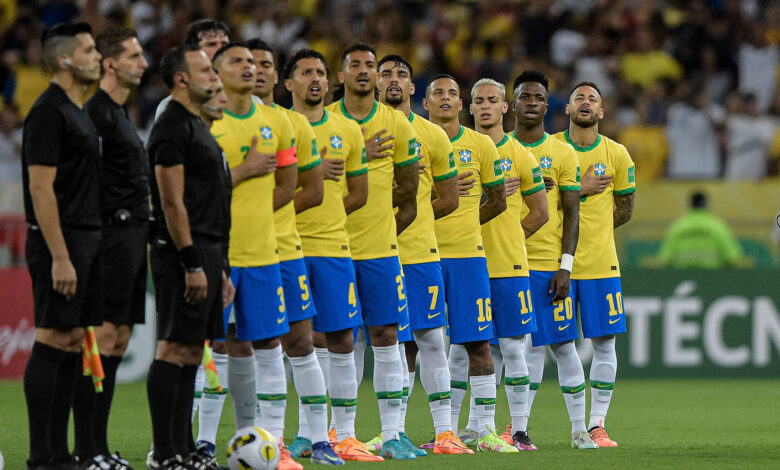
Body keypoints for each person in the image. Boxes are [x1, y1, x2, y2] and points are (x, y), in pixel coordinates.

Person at [208, 42, 308, 470]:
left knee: (269, 345)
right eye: (238, 61)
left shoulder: (278, 122)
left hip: (265, 254)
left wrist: (254, 221)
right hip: (217, 252)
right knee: (213, 345)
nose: (249, 67)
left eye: (253, 62)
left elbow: (288, 186)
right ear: (216, 72)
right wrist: (244, 172)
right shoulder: (206, 121)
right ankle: (199, 444)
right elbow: (194, 189)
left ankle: (273, 444)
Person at [243, 38, 341, 467]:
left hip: (285, 250)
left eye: (266, 64)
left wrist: (261, 217)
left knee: (301, 343)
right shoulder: (216, 121)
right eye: (249, 63)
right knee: (244, 347)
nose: (257, 70)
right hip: (240, 253)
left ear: (276, 76)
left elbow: (313, 190)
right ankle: (262, 442)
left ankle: (318, 442)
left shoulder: (292, 124)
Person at [327, 42, 421, 460]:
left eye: (371, 65)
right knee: (335, 339)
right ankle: (338, 434)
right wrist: (358, 158)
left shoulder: (397, 124)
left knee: (386, 337)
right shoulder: (324, 121)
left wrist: (382, 226)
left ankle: (392, 434)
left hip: (380, 251)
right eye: (356, 65)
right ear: (342, 76)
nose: (365, 71)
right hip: (332, 247)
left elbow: (409, 191)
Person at [375, 54, 472, 455]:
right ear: (375, 82)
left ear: (413, 87)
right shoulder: (357, 130)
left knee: (431, 340)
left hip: (419, 253)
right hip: (374, 252)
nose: (393, 80)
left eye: (401, 74)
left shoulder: (432, 135)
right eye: (386, 74)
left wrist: (416, 216)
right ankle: (391, 432)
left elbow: (449, 198)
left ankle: (445, 432)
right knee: (384, 344)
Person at [281, 48, 375, 462]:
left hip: (334, 249)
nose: (315, 78)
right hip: (288, 247)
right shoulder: (278, 126)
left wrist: (331, 215)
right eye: (306, 73)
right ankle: (304, 433)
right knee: (295, 341)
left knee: (341, 339)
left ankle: (345, 435)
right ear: (289, 83)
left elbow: (359, 193)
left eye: (320, 72)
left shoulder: (347, 131)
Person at [145, 43, 233, 470]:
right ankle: (165, 453)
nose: (214, 77)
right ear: (182, 79)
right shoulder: (171, 127)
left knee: (193, 351)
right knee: (173, 348)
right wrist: (191, 261)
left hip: (209, 251)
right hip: (185, 252)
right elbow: (172, 202)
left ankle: (183, 449)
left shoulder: (198, 126)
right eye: (205, 70)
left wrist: (221, 267)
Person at [22, 22, 103, 470]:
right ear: (66, 59)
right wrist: (59, 255)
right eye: (89, 50)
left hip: (84, 239)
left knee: (73, 340)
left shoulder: (78, 110)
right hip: (61, 242)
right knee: (53, 336)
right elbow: (40, 187)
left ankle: (60, 454)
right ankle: (40, 456)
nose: (98, 57)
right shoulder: (49, 111)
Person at [70, 27, 149, 470]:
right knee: (101, 340)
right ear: (109, 63)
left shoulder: (118, 112)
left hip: (131, 239)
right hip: (109, 239)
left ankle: (98, 447)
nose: (143, 63)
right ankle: (86, 449)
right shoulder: (96, 112)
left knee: (117, 340)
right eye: (134, 56)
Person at [511, 70, 598, 450]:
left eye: (538, 98)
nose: (531, 103)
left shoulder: (562, 153)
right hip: (505, 262)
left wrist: (565, 266)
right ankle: (503, 429)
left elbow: (573, 214)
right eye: (525, 97)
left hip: (547, 264)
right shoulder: (495, 149)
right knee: (504, 349)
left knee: (563, 345)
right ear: (513, 104)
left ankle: (580, 429)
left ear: (548, 105)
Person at [424, 74, 510, 452]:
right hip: (422, 255)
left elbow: (498, 200)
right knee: (419, 346)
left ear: (461, 104)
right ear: (426, 103)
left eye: (452, 94)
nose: (445, 98)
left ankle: (485, 430)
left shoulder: (480, 145)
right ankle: (431, 431)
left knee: (478, 343)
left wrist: (468, 223)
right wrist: (438, 191)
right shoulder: (415, 141)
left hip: (468, 257)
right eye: (438, 93)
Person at [467, 77, 548, 451]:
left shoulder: (520, 154)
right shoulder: (459, 151)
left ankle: (518, 430)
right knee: (463, 350)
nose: (485, 106)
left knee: (514, 349)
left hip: (509, 266)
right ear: (471, 108)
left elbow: (541, 212)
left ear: (504, 107)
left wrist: (513, 237)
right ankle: (465, 429)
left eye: (492, 100)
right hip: (468, 261)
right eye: (479, 100)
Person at [553, 81, 636, 448]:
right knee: (556, 344)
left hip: (602, 265)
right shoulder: (550, 149)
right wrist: (579, 191)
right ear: (568, 108)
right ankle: (520, 426)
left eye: (592, 99)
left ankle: (597, 424)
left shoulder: (617, 154)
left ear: (601, 112)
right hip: (556, 263)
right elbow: (535, 202)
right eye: (579, 98)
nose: (585, 103)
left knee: (604, 344)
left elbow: (626, 209)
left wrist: (595, 230)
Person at [154, 19, 232, 121]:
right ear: (194, 52)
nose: (221, 50)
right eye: (211, 44)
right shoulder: (172, 108)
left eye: (225, 44)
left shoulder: (249, 102)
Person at [658, 192, 746, 269]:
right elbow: (733, 258)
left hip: (682, 278)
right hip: (713, 278)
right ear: (707, 205)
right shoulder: (718, 226)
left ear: (690, 205)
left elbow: (665, 259)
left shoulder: (678, 226)